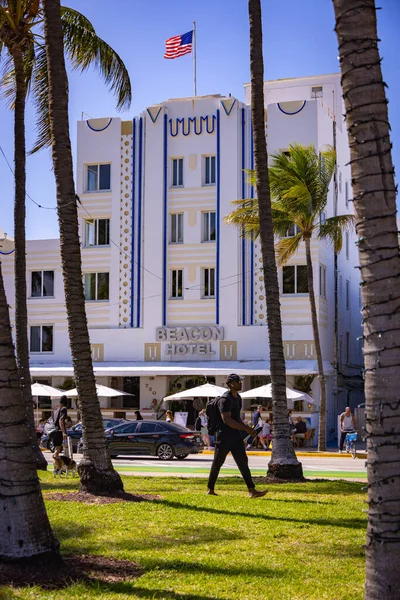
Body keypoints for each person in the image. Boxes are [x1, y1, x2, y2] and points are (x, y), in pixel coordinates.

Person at [207, 373, 268, 498]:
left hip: (235, 436)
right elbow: (227, 420)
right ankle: (210, 489)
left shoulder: (238, 398)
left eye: (240, 381)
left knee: (242, 462)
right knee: (218, 462)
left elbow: (237, 418)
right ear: (230, 384)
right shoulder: (224, 400)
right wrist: (244, 428)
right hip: (223, 436)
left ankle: (252, 490)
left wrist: (247, 430)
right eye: (237, 382)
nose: (240, 383)